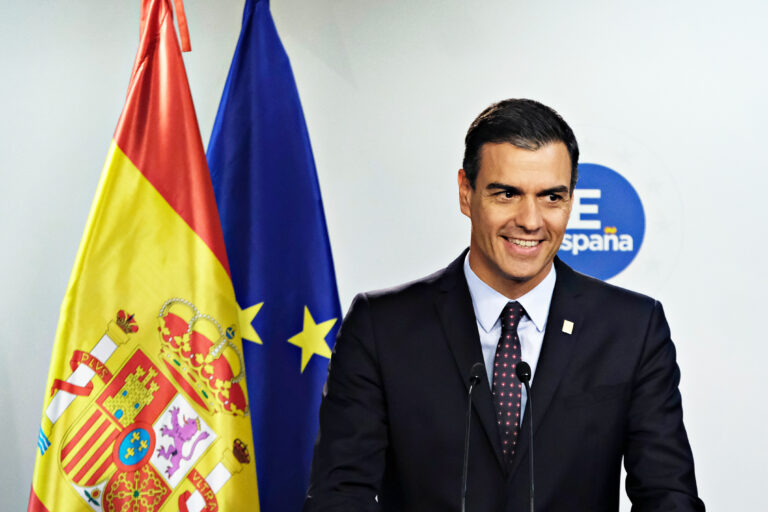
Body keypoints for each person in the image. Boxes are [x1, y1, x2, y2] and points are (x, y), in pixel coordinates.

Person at [303, 99, 705, 511]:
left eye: (551, 197)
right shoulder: (381, 328)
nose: (531, 220)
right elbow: (339, 496)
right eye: (507, 193)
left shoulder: (632, 329)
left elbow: (668, 497)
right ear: (466, 192)